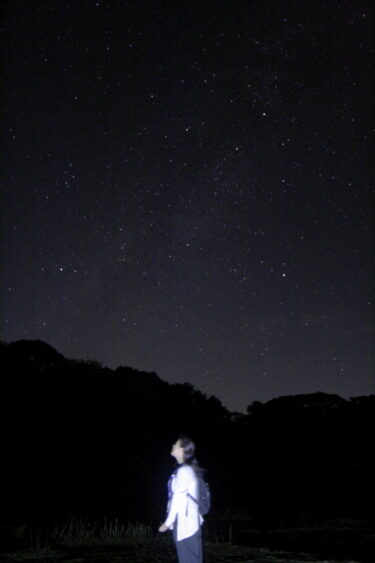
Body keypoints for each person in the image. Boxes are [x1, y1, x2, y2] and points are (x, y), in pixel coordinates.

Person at [159, 435, 203, 563]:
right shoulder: (185, 470)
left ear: (182, 450)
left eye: (175, 444)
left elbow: (177, 499)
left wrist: (168, 523)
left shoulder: (184, 471)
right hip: (186, 523)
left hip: (186, 525)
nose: (173, 446)